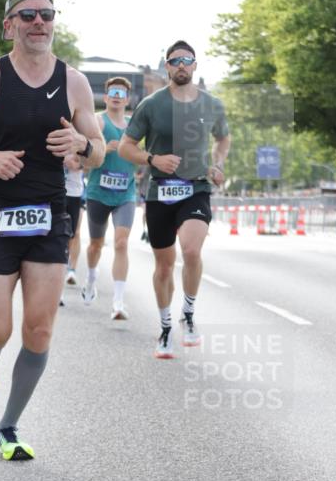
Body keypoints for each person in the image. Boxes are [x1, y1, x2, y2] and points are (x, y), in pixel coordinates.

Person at [0, 0, 105, 461]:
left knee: (39, 329)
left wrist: (80, 144)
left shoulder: (74, 82)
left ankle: (8, 426)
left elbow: (98, 151)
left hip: (50, 215)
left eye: (47, 15)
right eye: (28, 15)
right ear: (10, 24)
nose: (39, 22)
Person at [119, 41, 231, 358]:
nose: (181, 65)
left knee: (192, 251)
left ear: (195, 66)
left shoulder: (212, 104)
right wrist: (153, 158)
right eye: (175, 61)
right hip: (160, 191)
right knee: (165, 266)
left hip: (196, 187)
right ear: (167, 67)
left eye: (187, 60)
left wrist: (219, 163)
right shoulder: (152, 104)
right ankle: (166, 327)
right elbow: (127, 146)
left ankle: (189, 314)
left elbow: (223, 137)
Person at [82, 77, 137, 320]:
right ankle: (91, 279)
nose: (116, 95)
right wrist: (105, 147)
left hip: (126, 192)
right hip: (98, 192)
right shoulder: (97, 121)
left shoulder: (133, 126)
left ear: (127, 99)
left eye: (121, 92)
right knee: (96, 245)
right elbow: (85, 156)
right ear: (106, 97)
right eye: (112, 92)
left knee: (121, 243)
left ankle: (118, 302)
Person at [61, 152, 85, 294]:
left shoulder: (83, 133)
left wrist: (79, 163)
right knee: (57, 234)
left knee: (74, 233)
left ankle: (71, 269)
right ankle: (59, 276)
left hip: (76, 193)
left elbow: (94, 161)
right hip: (55, 190)